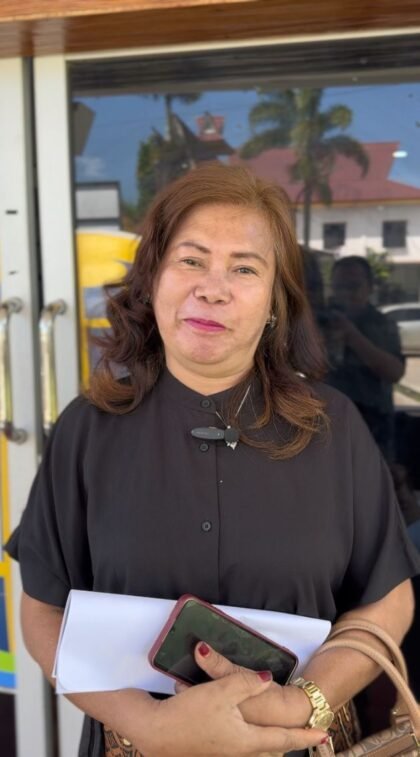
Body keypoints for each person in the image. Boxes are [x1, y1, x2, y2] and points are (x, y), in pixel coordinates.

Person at [6, 164, 419, 757]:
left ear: (275, 301)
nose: (213, 288)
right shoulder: (89, 428)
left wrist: (302, 702)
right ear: (153, 280)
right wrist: (149, 725)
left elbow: (388, 599)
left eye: (244, 269)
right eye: (191, 260)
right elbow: (43, 612)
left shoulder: (332, 426)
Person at [322, 255, 405, 462]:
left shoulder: (381, 324)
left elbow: (394, 372)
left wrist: (353, 337)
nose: (345, 294)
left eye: (353, 286)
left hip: (373, 424)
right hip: (330, 423)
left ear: (369, 288)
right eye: (339, 287)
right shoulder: (322, 320)